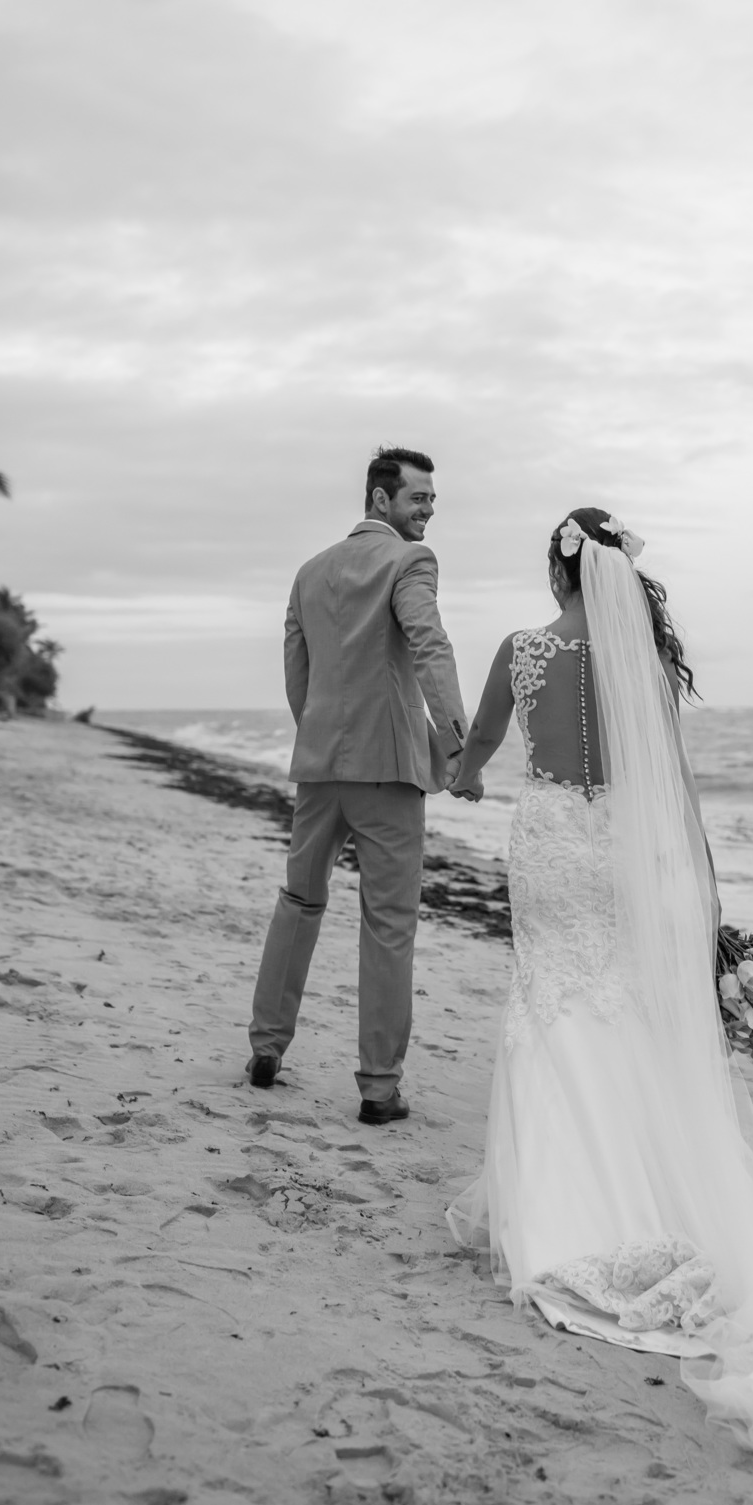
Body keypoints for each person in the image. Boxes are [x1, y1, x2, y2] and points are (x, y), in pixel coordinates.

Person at [446, 509, 753, 1463]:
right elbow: (670, 789)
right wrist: (704, 901)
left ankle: (557, 1211)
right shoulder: (637, 662)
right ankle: (639, 1191)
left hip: (549, 848)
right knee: (624, 1012)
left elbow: (477, 749)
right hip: (626, 857)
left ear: (557, 573)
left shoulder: (521, 648)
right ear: (617, 575)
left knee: (551, 1009)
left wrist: (463, 775)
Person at [247, 446, 467, 1125]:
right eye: (417, 498)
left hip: (320, 767)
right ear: (381, 500)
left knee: (299, 900)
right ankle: (378, 1086)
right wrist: (457, 746)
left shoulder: (311, 571)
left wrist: (320, 733)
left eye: (432, 499)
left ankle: (266, 1048)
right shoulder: (409, 562)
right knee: (389, 924)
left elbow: (297, 667)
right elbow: (430, 646)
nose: (428, 509)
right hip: (387, 774)